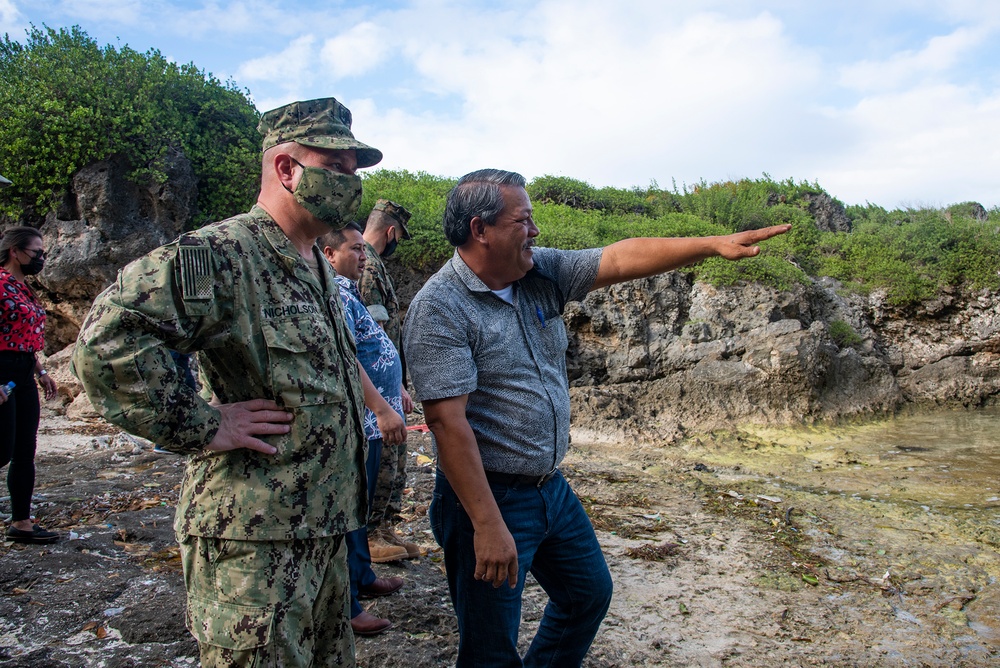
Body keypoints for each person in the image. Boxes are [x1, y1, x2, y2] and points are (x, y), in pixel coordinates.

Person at [403, 168, 791, 667]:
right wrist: (486, 523)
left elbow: (619, 256)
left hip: (549, 487)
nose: (536, 231)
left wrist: (712, 244)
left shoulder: (539, 271)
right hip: (486, 496)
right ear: (481, 229)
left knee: (587, 595)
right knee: (489, 650)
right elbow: (447, 425)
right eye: (523, 220)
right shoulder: (439, 309)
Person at [72, 97, 404, 667]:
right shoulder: (222, 254)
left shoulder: (315, 263)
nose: (352, 187)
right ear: (285, 169)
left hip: (322, 528)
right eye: (338, 169)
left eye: (356, 173)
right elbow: (108, 341)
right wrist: (203, 423)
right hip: (254, 540)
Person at [321, 221, 407, 636]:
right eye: (354, 249)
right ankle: (348, 602)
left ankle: (362, 577)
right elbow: (344, 357)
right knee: (350, 511)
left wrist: (398, 391)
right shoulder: (335, 293)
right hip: (361, 420)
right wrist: (380, 406)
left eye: (362, 248)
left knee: (362, 505)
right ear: (329, 254)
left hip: (375, 419)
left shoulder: (350, 291)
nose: (362, 255)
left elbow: (374, 348)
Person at [359, 199, 419, 562]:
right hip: (377, 385)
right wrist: (391, 387)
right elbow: (371, 334)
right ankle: (370, 533)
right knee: (381, 457)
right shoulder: (367, 267)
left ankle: (383, 526)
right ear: (392, 231)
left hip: (387, 381)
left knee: (395, 456)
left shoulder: (372, 263)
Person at [0, 226, 59, 544]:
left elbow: (24, 338)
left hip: (24, 371)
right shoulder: (0, 284)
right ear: (15, 251)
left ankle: (21, 522)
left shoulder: (25, 289)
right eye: (37, 253)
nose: (41, 258)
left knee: (25, 450)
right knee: (2, 449)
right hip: (2, 370)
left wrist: (41, 370)